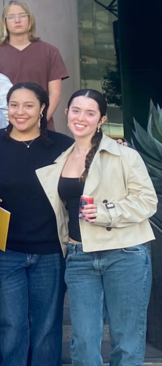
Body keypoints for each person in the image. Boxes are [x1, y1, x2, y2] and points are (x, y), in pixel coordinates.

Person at [36, 89, 156, 365]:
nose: (81, 118)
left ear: (101, 119)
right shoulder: (60, 159)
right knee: (84, 343)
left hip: (124, 253)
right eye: (76, 110)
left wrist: (106, 211)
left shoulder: (125, 156)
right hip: (79, 256)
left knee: (126, 341)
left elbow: (148, 202)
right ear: (66, 113)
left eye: (90, 113)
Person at [0, 83, 72, 365]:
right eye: (14, 105)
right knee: (10, 324)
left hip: (51, 250)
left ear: (42, 109)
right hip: (4, 250)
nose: (20, 112)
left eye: (28, 105)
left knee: (47, 326)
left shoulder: (64, 147)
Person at [0, 0, 68, 130]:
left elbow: (55, 94)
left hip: (42, 129)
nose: (17, 20)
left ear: (30, 19)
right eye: (11, 17)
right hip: (5, 129)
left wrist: (41, 121)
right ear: (4, 22)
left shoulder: (50, 51)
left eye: (22, 15)